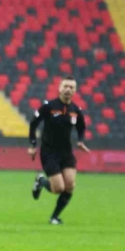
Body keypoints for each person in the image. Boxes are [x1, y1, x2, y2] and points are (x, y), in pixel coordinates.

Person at [29, 76, 90, 225]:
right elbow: (33, 124)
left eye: (71, 87)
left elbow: (81, 127)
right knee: (58, 188)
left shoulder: (76, 110)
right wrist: (32, 144)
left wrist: (80, 140)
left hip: (66, 152)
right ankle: (40, 180)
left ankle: (54, 217)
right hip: (49, 152)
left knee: (70, 185)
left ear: (75, 91)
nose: (68, 90)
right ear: (60, 88)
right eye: (65, 86)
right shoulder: (49, 106)